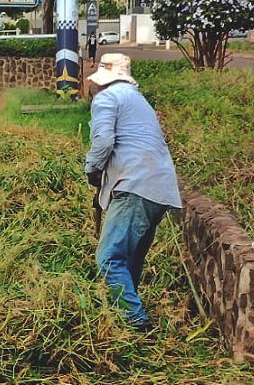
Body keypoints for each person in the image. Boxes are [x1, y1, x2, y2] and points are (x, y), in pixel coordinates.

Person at [84, 53, 181, 332]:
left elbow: (103, 140)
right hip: (160, 189)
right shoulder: (140, 101)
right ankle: (124, 319)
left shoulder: (107, 98)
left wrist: (92, 170)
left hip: (133, 186)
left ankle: (137, 324)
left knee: (109, 258)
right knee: (128, 261)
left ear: (105, 80)